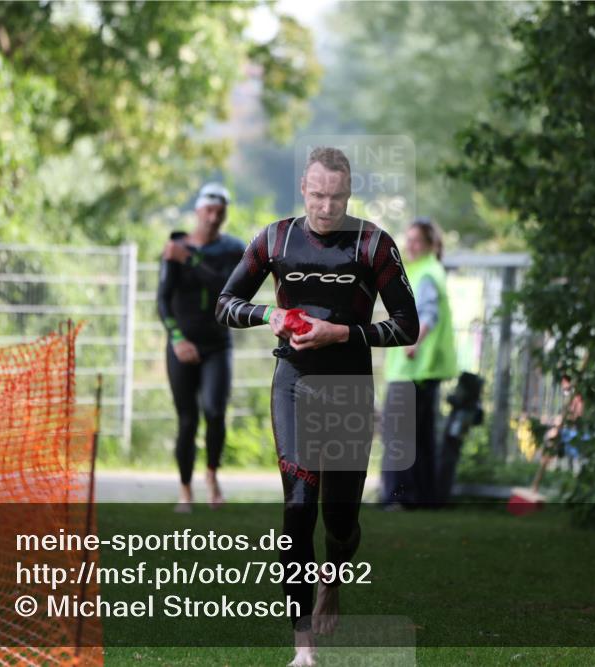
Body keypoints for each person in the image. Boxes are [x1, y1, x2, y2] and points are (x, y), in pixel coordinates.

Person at [216, 147, 419, 667]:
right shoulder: (275, 239)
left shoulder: (372, 244)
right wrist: (269, 316)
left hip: (349, 387)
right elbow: (225, 304)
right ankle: (303, 649)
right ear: (303, 189)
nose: (326, 207)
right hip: (295, 384)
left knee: (341, 522)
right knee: (298, 509)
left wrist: (344, 332)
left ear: (348, 194)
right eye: (316, 195)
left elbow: (406, 325)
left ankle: (333, 574)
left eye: (336, 197)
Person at [157, 182, 245, 512]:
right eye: (208, 211)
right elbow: (162, 302)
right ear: (197, 211)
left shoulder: (232, 249)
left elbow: (227, 290)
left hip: (217, 344)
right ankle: (185, 489)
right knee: (187, 420)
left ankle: (211, 475)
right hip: (182, 344)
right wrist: (177, 340)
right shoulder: (174, 248)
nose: (213, 218)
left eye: (220, 213)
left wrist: (191, 260)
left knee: (215, 411)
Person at [381, 218, 458, 508]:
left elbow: (427, 314)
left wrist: (414, 341)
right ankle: (425, 497)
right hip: (425, 370)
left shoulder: (425, 273)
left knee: (398, 435)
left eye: (417, 240)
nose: (410, 245)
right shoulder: (430, 270)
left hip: (412, 367)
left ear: (431, 245)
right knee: (422, 437)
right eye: (409, 238)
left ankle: (398, 498)